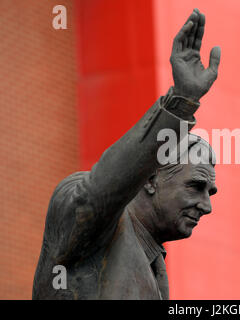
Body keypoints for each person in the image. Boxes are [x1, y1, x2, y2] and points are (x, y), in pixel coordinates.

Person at [32, 8, 220, 300]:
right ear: (149, 178)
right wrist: (182, 102)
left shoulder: (156, 264)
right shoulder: (91, 222)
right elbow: (99, 192)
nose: (206, 206)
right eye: (195, 186)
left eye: (210, 191)